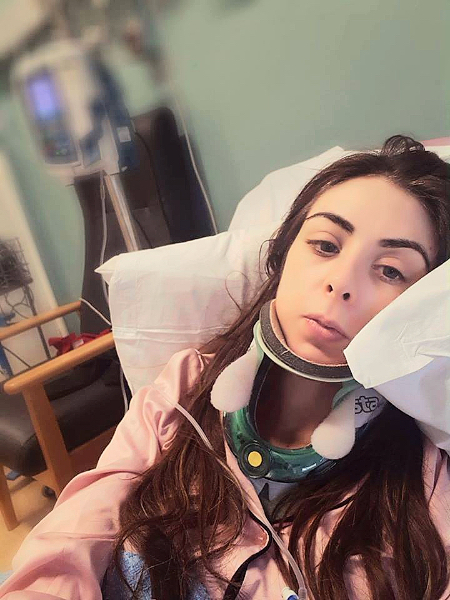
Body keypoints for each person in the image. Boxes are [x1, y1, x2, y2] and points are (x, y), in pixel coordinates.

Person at [1, 135, 449, 600]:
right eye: (324, 245)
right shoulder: (185, 386)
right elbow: (77, 531)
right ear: (283, 256)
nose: (341, 282)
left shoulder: (424, 483)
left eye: (391, 270)